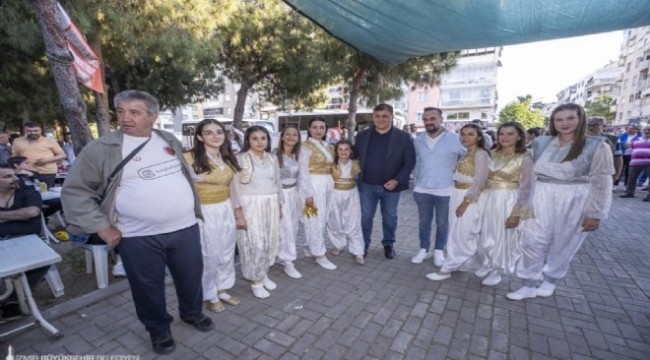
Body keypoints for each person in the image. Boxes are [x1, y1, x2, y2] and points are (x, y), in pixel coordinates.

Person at [62, 90, 213, 355]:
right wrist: (101, 226)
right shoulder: (102, 148)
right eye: (121, 111)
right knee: (147, 287)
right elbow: (75, 191)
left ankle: (191, 313)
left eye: (134, 112)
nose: (125, 118)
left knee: (191, 278)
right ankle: (158, 329)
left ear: (153, 116)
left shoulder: (168, 140)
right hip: (137, 235)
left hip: (185, 228)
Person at [507, 103, 614, 300]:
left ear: (580, 119)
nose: (564, 123)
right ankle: (529, 283)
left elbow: (602, 181)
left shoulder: (597, 145)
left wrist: (595, 214)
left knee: (565, 242)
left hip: (576, 198)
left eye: (570, 118)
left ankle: (550, 280)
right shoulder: (541, 143)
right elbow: (528, 175)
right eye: (559, 119)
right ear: (553, 122)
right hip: (541, 195)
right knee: (532, 240)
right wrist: (520, 203)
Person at [183, 119, 243, 313]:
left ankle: (223, 288)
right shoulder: (188, 158)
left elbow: (233, 188)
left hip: (225, 207)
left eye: (219, 132)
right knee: (209, 254)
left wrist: (238, 212)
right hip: (204, 211)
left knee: (226, 250)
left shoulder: (227, 156)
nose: (215, 136)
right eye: (209, 133)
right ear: (200, 137)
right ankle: (209, 293)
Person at [426, 124, 490, 281]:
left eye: (470, 134)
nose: (465, 137)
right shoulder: (467, 153)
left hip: (469, 198)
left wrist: (465, 203)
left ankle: (447, 268)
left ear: (479, 137)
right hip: (458, 193)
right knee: (456, 231)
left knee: (465, 232)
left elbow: (480, 182)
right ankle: (459, 263)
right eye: (463, 134)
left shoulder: (481, 155)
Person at [475, 121, 534, 286]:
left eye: (510, 134)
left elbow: (526, 188)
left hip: (508, 200)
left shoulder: (524, 158)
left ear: (519, 136)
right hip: (489, 198)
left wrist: (516, 213)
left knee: (503, 236)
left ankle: (498, 269)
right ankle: (487, 263)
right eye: (502, 133)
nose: (505, 137)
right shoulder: (492, 153)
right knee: (485, 234)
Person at [355, 104, 416, 259]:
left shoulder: (404, 137)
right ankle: (364, 243)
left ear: (391, 117)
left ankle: (388, 243)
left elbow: (409, 163)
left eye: (385, 116)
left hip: (391, 187)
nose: (381, 119)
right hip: (367, 185)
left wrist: (397, 180)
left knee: (389, 217)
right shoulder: (362, 136)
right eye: (377, 116)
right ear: (373, 117)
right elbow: (353, 157)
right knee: (365, 216)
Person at [411, 107, 464, 266]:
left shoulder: (455, 139)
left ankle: (439, 251)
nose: (429, 122)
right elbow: (415, 162)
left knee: (442, 223)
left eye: (432, 119)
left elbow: (470, 157)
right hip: (422, 189)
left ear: (441, 119)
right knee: (424, 222)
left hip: (446, 189)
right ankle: (424, 249)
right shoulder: (418, 140)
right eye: (425, 119)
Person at [235, 126, 283, 298]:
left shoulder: (272, 158)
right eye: (255, 138)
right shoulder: (240, 159)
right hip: (250, 204)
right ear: (248, 140)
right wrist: (238, 212)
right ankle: (255, 280)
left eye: (263, 138)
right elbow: (234, 188)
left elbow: (278, 182)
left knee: (269, 240)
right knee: (255, 243)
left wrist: (280, 205)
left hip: (271, 202)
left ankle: (264, 273)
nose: (259, 142)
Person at [0, 163, 48, 321]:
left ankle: (12, 299)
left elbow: (32, 212)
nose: (15, 178)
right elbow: (24, 214)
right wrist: (17, 216)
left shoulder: (26, 190)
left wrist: (3, 217)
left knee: (44, 259)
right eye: (8, 176)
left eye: (14, 174)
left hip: (27, 240)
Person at [275, 125, 313, 279]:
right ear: (282, 137)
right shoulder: (273, 155)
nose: (291, 137)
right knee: (284, 227)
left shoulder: (299, 155)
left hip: (295, 194)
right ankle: (288, 260)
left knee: (294, 227)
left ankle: (284, 256)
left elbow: (303, 177)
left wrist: (308, 196)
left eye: (295, 135)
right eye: (288, 134)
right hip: (280, 195)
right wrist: (277, 200)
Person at [301, 117, 338, 269]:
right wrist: (307, 194)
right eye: (315, 127)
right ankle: (319, 253)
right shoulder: (304, 146)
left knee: (322, 218)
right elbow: (302, 171)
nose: (318, 130)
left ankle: (310, 246)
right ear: (309, 129)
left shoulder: (328, 146)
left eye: (321, 127)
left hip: (328, 185)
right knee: (313, 219)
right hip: (312, 185)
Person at [327, 140, 365, 265]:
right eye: (340, 149)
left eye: (346, 149)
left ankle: (358, 251)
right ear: (336, 152)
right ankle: (339, 244)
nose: (343, 152)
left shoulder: (356, 164)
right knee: (334, 222)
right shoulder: (332, 165)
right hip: (335, 194)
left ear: (351, 151)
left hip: (351, 195)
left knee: (353, 222)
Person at [11, 123, 66, 189]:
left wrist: (45, 160)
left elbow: (63, 155)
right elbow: (14, 157)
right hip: (26, 172)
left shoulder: (49, 141)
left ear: (41, 130)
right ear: (25, 130)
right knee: (27, 192)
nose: (33, 133)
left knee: (45, 192)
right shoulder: (17, 141)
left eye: (36, 131)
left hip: (46, 172)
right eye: (29, 131)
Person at [586, 117, 623, 183]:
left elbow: (617, 158)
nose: (591, 128)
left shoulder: (612, 139)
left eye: (596, 125)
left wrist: (616, 175)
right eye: (589, 125)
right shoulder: (579, 139)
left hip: (603, 174)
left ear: (604, 127)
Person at [620, 125, 650, 202]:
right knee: (632, 178)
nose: (646, 131)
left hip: (648, 162)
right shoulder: (636, 139)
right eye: (645, 130)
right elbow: (629, 146)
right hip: (635, 162)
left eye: (648, 130)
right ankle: (629, 193)